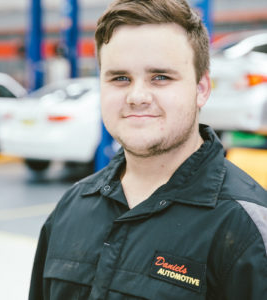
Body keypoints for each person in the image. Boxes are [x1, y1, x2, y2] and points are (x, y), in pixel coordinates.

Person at [29, 0, 267, 299]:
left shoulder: (245, 227)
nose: (137, 96)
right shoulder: (71, 207)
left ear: (201, 88)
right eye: (120, 78)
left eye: (160, 77)